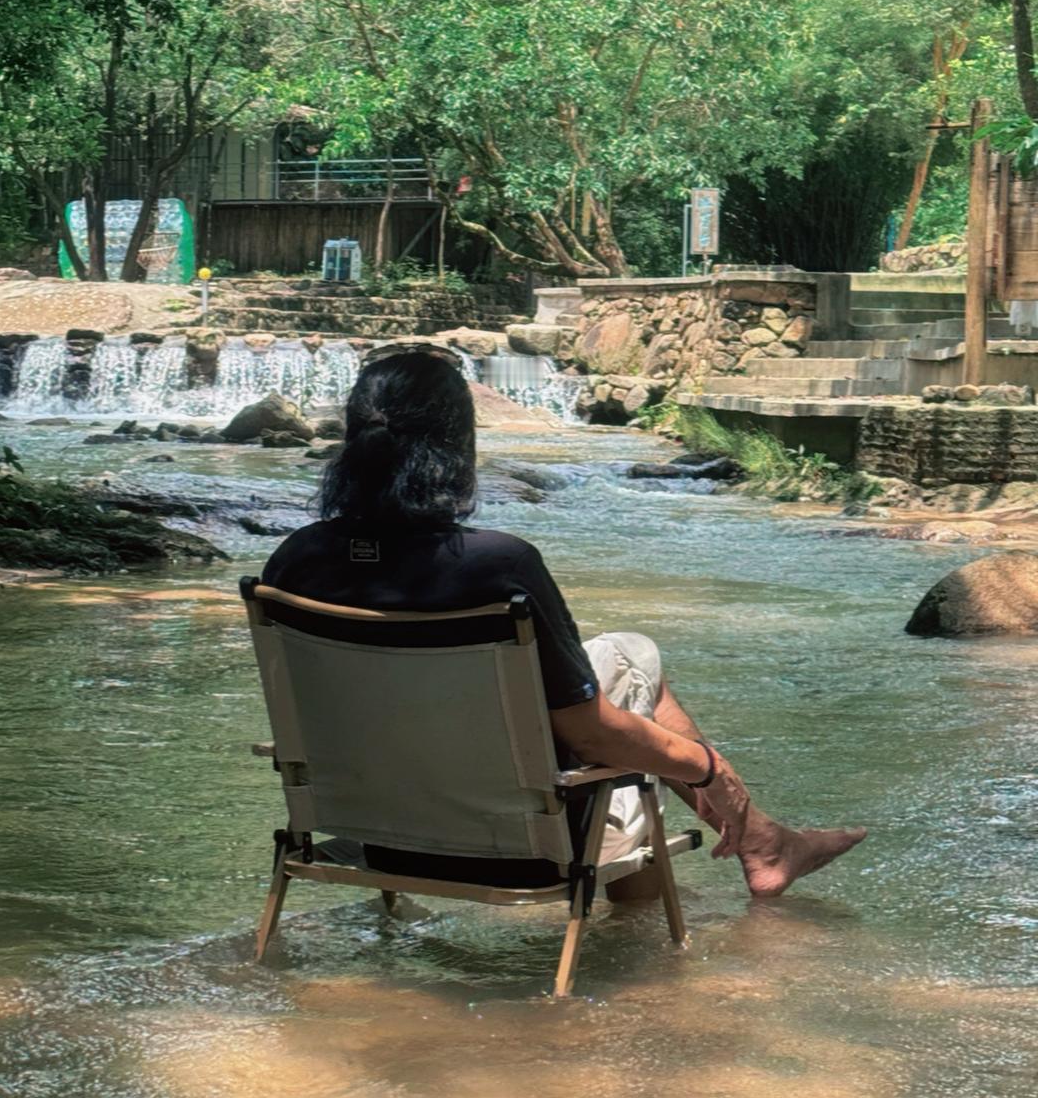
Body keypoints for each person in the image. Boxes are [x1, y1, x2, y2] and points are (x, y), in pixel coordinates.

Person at [261, 345, 866, 897]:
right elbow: (594, 737)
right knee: (632, 660)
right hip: (520, 849)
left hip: (367, 837)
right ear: (456, 444)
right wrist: (712, 769)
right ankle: (684, 912)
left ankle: (764, 842)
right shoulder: (500, 567)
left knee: (614, 666)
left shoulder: (293, 563)